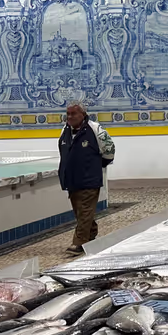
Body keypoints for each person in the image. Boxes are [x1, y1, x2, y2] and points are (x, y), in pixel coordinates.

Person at [58, 102, 115, 254]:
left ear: (82, 115)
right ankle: (91, 232)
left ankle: (79, 243)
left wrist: (97, 166)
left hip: (89, 179)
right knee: (80, 211)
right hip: (71, 180)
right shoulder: (65, 131)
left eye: (73, 114)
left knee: (84, 211)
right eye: (68, 114)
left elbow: (109, 149)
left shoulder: (95, 129)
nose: (69, 117)